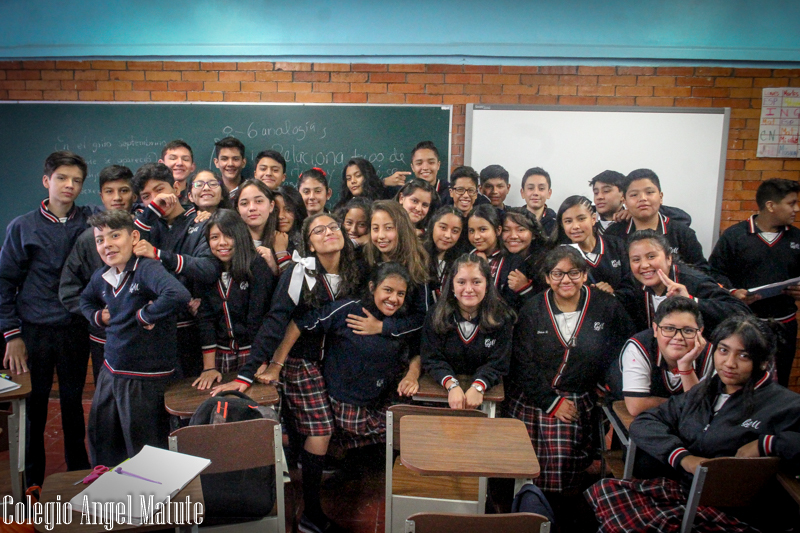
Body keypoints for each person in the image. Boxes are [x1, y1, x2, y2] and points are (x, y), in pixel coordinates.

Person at [213, 212, 366, 533]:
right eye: (318, 231)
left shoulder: (357, 270)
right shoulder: (302, 272)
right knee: (320, 430)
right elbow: (276, 320)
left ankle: (307, 497)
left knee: (334, 430)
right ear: (308, 243)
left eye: (333, 227)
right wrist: (247, 373)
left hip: (340, 362)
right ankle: (311, 514)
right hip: (301, 361)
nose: (329, 233)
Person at [586, 314, 800, 533]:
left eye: (743, 356)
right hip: (686, 490)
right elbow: (645, 422)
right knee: (604, 492)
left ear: (764, 361)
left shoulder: (786, 405)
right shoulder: (704, 391)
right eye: (723, 350)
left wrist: (766, 444)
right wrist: (683, 458)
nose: (729, 363)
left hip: (737, 510)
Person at [0, 151, 94, 486]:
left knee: (73, 408)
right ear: (46, 181)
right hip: (34, 332)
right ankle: (32, 486)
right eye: (62, 178)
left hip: (75, 330)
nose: (69, 186)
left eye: (77, 181)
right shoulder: (22, 227)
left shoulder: (91, 221)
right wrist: (12, 336)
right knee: (34, 411)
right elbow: (4, 282)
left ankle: (79, 480)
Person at [508, 247, 632, 495]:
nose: (566, 280)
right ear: (547, 278)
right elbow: (522, 362)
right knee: (522, 462)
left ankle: (561, 510)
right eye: (557, 274)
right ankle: (529, 506)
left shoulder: (607, 306)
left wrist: (604, 391)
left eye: (573, 273)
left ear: (585, 275)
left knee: (563, 464)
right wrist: (551, 402)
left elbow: (622, 351)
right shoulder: (533, 309)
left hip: (581, 395)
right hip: (536, 395)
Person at [80, 209, 191, 468]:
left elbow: (178, 294)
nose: (107, 244)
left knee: (146, 454)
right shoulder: (103, 276)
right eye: (100, 240)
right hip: (111, 373)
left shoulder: (146, 268)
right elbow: (85, 300)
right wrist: (98, 317)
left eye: (115, 236)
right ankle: (110, 499)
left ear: (133, 237)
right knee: (104, 444)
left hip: (144, 380)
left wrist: (145, 315)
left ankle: (149, 504)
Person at [280, 263, 421, 449]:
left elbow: (416, 349)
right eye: (388, 290)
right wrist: (275, 364)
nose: (394, 298)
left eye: (400, 293)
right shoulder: (349, 309)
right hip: (343, 403)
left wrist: (412, 375)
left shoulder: (402, 320)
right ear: (372, 287)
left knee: (411, 422)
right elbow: (300, 323)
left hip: (377, 400)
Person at [131, 162, 219, 379]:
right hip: (152, 330)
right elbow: (128, 257)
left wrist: (159, 255)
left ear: (177, 188)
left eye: (160, 190)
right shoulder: (144, 225)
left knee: (189, 400)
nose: (155, 199)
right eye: (146, 196)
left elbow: (207, 269)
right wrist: (150, 212)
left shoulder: (202, 221)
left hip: (192, 330)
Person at [709, 178, 800, 387]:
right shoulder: (735, 236)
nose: (796, 209)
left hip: (784, 325)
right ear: (770, 205)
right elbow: (713, 272)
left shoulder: (797, 238)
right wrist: (732, 292)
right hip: (743, 324)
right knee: (740, 382)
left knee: (778, 382)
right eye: (791, 203)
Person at [59, 164, 137, 385]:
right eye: (110, 191)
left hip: (143, 338)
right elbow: (68, 290)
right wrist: (95, 314)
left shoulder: (147, 229)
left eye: (124, 190)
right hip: (103, 338)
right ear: (101, 196)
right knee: (107, 400)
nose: (117, 198)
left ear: (134, 193)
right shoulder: (87, 239)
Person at [194, 210, 276, 390]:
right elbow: (206, 318)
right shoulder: (207, 271)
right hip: (220, 356)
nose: (222, 243)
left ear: (240, 236)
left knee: (259, 409)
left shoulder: (256, 265)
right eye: (215, 237)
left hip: (255, 352)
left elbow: (259, 317)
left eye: (229, 235)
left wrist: (259, 361)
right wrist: (209, 367)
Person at [421, 253, 515, 409]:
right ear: (452, 286)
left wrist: (479, 386)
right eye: (461, 282)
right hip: (440, 392)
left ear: (487, 285)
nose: (469, 289)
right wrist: (451, 385)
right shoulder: (435, 314)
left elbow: (499, 362)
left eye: (476, 282)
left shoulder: (501, 317)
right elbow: (431, 358)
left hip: (486, 395)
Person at [616, 230, 750, 334]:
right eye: (636, 260)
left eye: (651, 257)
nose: (644, 265)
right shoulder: (633, 283)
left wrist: (692, 300)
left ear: (669, 258)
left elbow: (741, 311)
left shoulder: (693, 281)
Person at [605, 168, 711, 275]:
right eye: (634, 195)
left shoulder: (682, 233)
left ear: (660, 197)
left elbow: (702, 271)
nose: (642, 198)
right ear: (625, 202)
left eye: (649, 192)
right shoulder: (614, 234)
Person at [620, 296, 712, 416]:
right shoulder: (638, 348)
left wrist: (685, 367)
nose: (678, 337)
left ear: (700, 332)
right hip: (645, 419)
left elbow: (697, 410)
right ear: (655, 329)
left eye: (688, 330)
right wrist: (684, 404)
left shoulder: (710, 353)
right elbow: (636, 406)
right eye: (669, 328)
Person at [556, 195, 630, 293]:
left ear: (593, 219)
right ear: (562, 225)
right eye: (568, 221)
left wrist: (613, 294)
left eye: (581, 219)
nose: (575, 226)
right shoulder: (559, 256)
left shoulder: (616, 244)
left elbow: (631, 283)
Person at [589, 169, 692, 234]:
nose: (599, 197)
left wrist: (635, 212)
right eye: (596, 193)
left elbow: (684, 218)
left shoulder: (633, 217)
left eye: (606, 191)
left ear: (622, 196)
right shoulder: (588, 216)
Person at [467, 204, 525, 307]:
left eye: (483, 229)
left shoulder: (513, 261)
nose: (476, 236)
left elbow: (510, 302)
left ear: (498, 230)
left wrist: (484, 270)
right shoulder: (466, 258)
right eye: (471, 231)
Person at [233, 179, 283, 275]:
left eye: (259, 201)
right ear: (238, 210)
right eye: (244, 203)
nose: (252, 208)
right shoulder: (231, 243)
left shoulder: (281, 242)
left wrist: (274, 268)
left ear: (271, 206)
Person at [502, 207, 551, 299]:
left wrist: (525, 288)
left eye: (521, 230)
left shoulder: (545, 262)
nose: (513, 236)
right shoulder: (500, 258)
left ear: (533, 234)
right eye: (506, 230)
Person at [423, 206, 466, 299]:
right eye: (443, 228)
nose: (447, 235)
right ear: (432, 226)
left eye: (455, 231)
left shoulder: (461, 262)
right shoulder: (417, 256)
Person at [383, 141, 448, 200]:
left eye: (431, 162)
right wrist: (384, 183)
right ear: (413, 167)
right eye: (419, 163)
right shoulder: (403, 191)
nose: (425, 167)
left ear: (438, 165)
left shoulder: (449, 192)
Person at [273, 184, 307, 262]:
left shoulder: (308, 242)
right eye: (276, 211)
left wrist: (281, 253)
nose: (280, 216)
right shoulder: (263, 242)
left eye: (288, 210)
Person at [520, 167, 557, 237]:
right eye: (530, 188)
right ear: (522, 193)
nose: (536, 193)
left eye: (541, 188)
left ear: (549, 193)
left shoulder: (556, 222)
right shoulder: (514, 220)